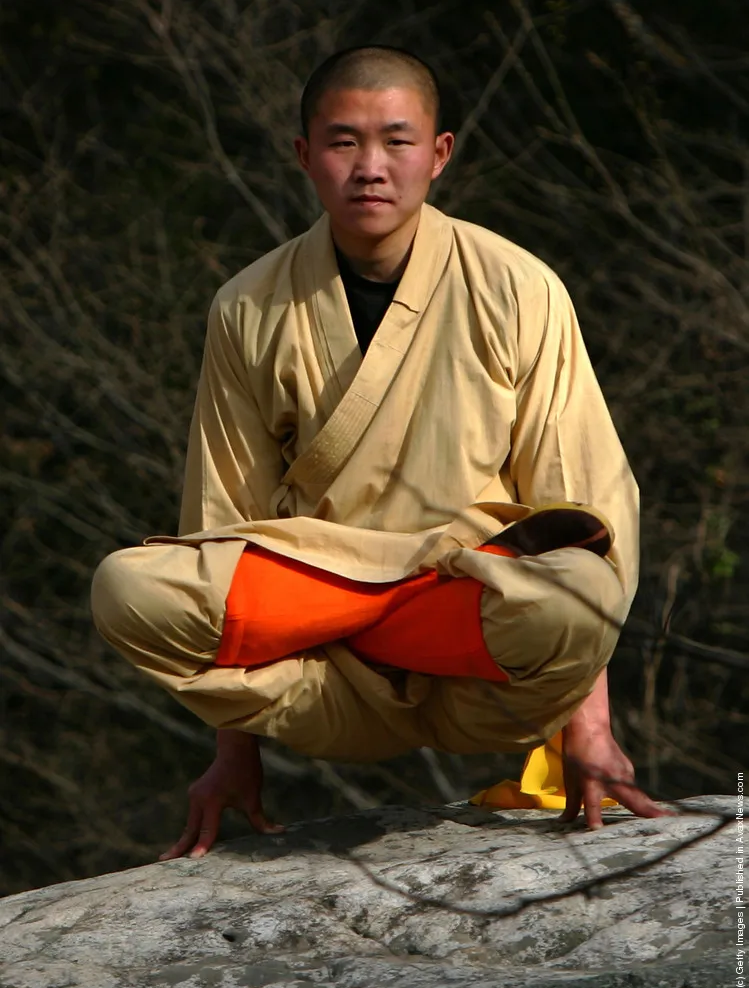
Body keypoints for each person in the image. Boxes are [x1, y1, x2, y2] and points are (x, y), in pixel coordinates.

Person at [91, 46, 664, 861]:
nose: (370, 168)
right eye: (342, 142)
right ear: (302, 156)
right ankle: (371, 622)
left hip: (466, 638)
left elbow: (578, 509)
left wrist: (591, 729)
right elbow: (224, 523)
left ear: (438, 155)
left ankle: (383, 621)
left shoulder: (516, 286)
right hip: (326, 668)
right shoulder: (248, 306)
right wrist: (232, 755)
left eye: (396, 141)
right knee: (127, 587)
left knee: (574, 595)